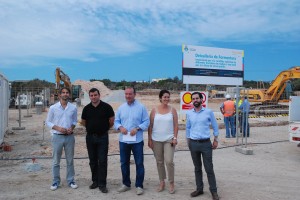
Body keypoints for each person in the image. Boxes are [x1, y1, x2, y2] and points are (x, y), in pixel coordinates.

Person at [114, 87, 150, 195]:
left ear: (135, 94)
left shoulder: (141, 107)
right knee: (124, 163)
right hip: (123, 141)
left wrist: (138, 128)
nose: (128, 96)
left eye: (130, 94)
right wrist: (120, 127)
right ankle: (126, 184)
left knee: (139, 163)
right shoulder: (121, 108)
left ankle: (139, 185)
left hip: (137, 141)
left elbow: (146, 122)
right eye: (126, 94)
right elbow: (116, 121)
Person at [186, 92, 220, 200]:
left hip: (206, 144)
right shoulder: (189, 113)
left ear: (202, 100)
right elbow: (188, 128)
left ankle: (214, 191)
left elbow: (215, 126)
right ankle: (199, 189)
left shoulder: (208, 112)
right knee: (197, 168)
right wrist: (188, 141)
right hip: (193, 143)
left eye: (197, 98)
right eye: (193, 99)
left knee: (209, 168)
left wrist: (216, 139)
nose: (195, 100)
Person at [81, 88, 115, 193]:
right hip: (90, 137)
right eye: (91, 95)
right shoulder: (86, 108)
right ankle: (95, 181)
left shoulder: (107, 107)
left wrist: (103, 129)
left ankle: (102, 184)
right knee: (93, 161)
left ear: (99, 95)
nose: (93, 97)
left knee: (103, 161)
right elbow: (83, 122)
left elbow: (111, 121)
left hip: (103, 137)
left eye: (95, 95)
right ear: (89, 96)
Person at [46, 87, 78, 191]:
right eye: (63, 93)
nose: (65, 94)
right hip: (57, 137)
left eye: (67, 92)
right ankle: (55, 181)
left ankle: (71, 180)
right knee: (56, 161)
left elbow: (74, 121)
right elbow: (48, 122)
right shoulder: (53, 108)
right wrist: (58, 128)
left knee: (70, 160)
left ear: (69, 94)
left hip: (69, 137)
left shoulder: (73, 108)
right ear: (59, 95)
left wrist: (71, 128)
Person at [148, 90, 178, 194]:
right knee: (159, 162)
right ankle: (162, 182)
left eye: (168, 97)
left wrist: (175, 138)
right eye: (164, 97)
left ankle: (171, 182)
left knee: (169, 161)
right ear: (160, 98)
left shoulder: (172, 110)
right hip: (156, 140)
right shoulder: (154, 110)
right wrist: (149, 139)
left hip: (169, 139)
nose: (166, 99)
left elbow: (176, 125)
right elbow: (150, 126)